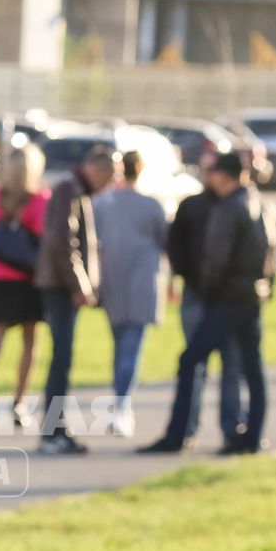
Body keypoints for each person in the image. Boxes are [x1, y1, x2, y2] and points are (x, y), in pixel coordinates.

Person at [140, 153, 274, 455]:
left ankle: (179, 433)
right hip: (251, 298)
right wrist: (267, 287)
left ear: (224, 176)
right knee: (250, 367)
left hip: (226, 299)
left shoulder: (229, 208)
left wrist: (207, 289)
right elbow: (272, 252)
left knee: (191, 361)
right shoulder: (262, 204)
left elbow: (216, 257)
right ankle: (249, 435)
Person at [166, 162, 246, 447]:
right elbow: (174, 245)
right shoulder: (193, 206)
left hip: (227, 299)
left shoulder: (238, 206)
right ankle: (185, 429)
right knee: (194, 363)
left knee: (232, 364)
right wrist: (187, 276)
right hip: (198, 294)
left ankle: (232, 427)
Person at [91, 151, 167, 438]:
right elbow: (165, 242)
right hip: (141, 282)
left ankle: (121, 402)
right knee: (130, 348)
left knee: (121, 345)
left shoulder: (103, 203)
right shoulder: (151, 205)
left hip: (114, 279)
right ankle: (122, 405)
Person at [0, 144, 48, 429]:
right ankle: (19, 403)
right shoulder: (40, 200)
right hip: (27, 280)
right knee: (30, 343)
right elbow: (41, 240)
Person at [33, 147, 101, 454]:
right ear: (92, 168)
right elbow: (63, 241)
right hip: (60, 286)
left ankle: (57, 429)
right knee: (61, 360)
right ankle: (52, 432)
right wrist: (81, 284)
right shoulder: (68, 189)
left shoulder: (76, 189)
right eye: (108, 174)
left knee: (63, 359)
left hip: (63, 285)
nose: (110, 182)